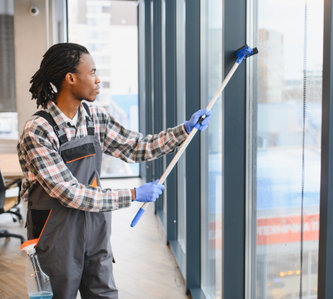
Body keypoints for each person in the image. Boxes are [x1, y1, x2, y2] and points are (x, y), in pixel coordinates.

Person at [17, 42, 211, 298]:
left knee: (103, 293)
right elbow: (70, 194)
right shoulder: (38, 130)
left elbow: (137, 147)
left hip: (94, 227)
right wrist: (132, 194)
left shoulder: (95, 118)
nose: (99, 80)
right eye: (93, 72)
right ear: (71, 78)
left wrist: (184, 130)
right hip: (54, 234)